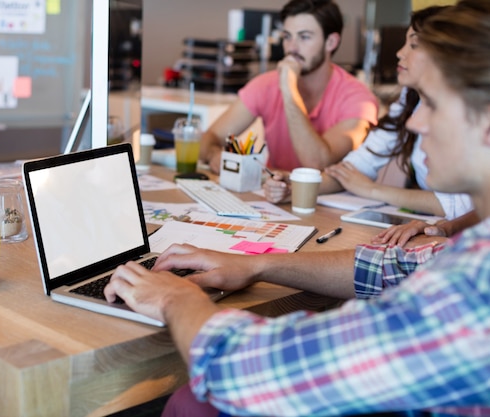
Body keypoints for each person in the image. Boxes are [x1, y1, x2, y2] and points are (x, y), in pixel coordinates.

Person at [105, 1, 490, 415]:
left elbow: (245, 371)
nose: (415, 122)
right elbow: (389, 267)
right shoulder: (469, 259)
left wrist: (175, 299)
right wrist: (259, 264)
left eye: (432, 103)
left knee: (188, 401)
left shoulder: (472, 290)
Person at [263, 5, 473, 233]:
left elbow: (461, 204)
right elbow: (355, 168)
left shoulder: (470, 111)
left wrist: (371, 190)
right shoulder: (409, 100)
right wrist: (297, 185)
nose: (399, 53)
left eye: (413, 45)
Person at [199, 0, 378, 175]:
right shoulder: (266, 84)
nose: (292, 48)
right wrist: (215, 154)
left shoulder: (358, 99)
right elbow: (210, 137)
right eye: (287, 36)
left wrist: (289, 90)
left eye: (304, 37)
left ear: (331, 42)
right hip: (273, 195)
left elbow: (316, 164)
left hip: (330, 201)